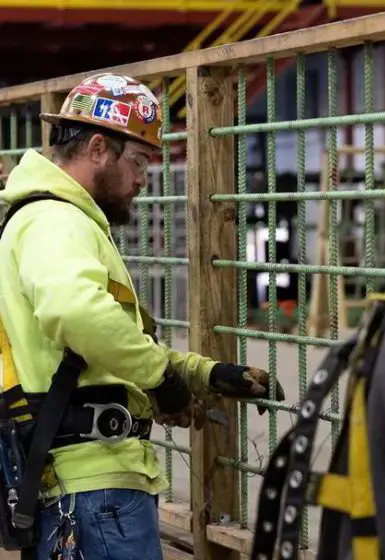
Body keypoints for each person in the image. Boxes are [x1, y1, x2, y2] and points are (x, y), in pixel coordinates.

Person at [0, 72, 285, 560]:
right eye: (138, 161)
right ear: (96, 148)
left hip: (84, 487)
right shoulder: (56, 221)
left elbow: (102, 341)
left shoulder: (52, 220)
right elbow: (76, 312)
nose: (141, 179)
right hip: (94, 492)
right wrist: (158, 378)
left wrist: (201, 374)